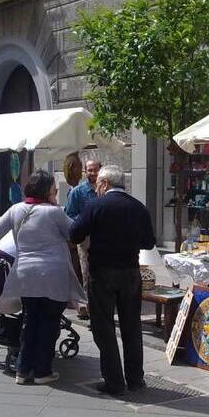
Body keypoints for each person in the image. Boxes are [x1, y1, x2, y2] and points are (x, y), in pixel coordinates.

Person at [0, 170, 84, 385]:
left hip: (25, 274)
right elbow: (73, 234)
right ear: (47, 190)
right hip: (53, 275)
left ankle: (23, 369)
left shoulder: (16, 209)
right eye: (54, 188)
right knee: (49, 322)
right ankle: (42, 371)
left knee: (29, 320)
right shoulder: (54, 212)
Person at [70, 165, 156, 396]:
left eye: (98, 183)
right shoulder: (139, 208)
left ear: (105, 183)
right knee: (131, 325)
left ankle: (114, 381)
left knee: (104, 327)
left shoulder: (95, 206)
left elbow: (75, 234)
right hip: (130, 272)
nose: (96, 187)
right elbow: (149, 242)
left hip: (102, 272)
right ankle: (136, 379)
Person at [65, 159, 101, 320]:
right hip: (86, 239)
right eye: (89, 170)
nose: (92, 173)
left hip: (104, 238)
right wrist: (85, 220)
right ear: (85, 172)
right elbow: (69, 214)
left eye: (95, 170)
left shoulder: (105, 190)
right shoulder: (77, 192)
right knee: (87, 273)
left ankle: (100, 304)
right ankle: (89, 306)